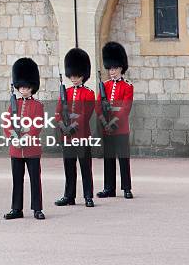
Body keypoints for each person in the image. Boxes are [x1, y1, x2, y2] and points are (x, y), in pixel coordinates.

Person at [3, 57, 45, 220]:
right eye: (21, 86)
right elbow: (7, 124)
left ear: (32, 87)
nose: (23, 89)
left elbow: (37, 125)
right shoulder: (13, 104)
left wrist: (25, 137)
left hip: (31, 148)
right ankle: (16, 209)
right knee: (17, 180)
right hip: (15, 149)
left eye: (26, 87)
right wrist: (14, 138)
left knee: (35, 180)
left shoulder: (38, 105)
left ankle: (37, 208)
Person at [54, 48, 95, 208]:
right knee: (69, 168)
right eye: (72, 76)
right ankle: (69, 195)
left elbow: (85, 115)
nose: (74, 79)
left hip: (82, 135)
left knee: (85, 167)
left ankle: (88, 196)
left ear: (83, 75)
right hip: (67, 136)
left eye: (77, 76)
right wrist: (63, 127)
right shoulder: (66, 92)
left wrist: (72, 126)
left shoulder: (89, 94)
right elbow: (57, 113)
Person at [96, 41, 134, 199]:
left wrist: (112, 122)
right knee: (109, 158)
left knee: (123, 158)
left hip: (120, 127)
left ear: (121, 68)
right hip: (107, 127)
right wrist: (104, 122)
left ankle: (126, 188)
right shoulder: (104, 86)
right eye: (110, 68)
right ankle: (109, 187)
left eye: (114, 68)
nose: (112, 71)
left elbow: (125, 109)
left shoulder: (127, 86)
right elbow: (98, 106)